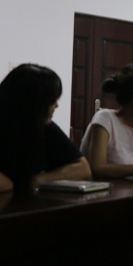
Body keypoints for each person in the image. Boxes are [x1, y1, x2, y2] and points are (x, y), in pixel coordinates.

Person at [0, 64, 91, 194]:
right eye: (52, 100)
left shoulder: (45, 127)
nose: (57, 105)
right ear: (34, 102)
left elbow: (83, 168)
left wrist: (40, 179)